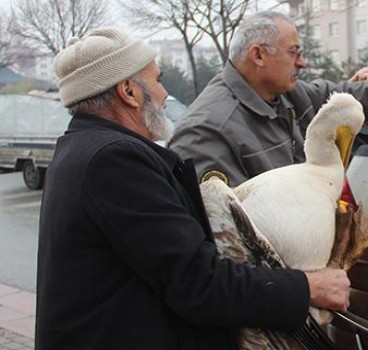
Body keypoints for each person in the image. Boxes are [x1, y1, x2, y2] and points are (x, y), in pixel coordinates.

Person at [36, 27, 350, 350]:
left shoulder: (83, 149)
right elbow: (198, 283)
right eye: (158, 81)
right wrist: (305, 287)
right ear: (128, 91)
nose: (164, 95)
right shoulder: (114, 161)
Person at [169, 11, 368, 187]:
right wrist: (305, 286)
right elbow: (233, 237)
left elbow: (348, 95)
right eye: (294, 53)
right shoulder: (208, 131)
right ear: (258, 55)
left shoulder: (289, 96)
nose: (301, 63)